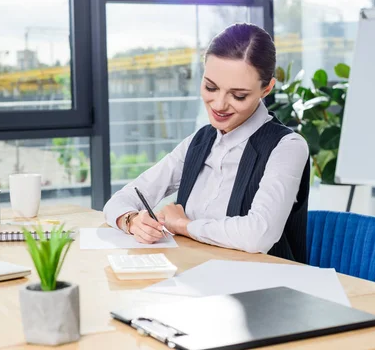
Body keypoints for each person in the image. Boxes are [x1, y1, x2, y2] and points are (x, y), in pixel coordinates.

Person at [103, 23, 310, 262]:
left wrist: (183, 225)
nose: (219, 104)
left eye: (238, 95)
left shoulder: (287, 147)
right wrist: (131, 221)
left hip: (264, 288)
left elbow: (258, 235)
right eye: (210, 87)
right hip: (196, 277)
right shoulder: (199, 142)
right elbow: (121, 200)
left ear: (267, 89)